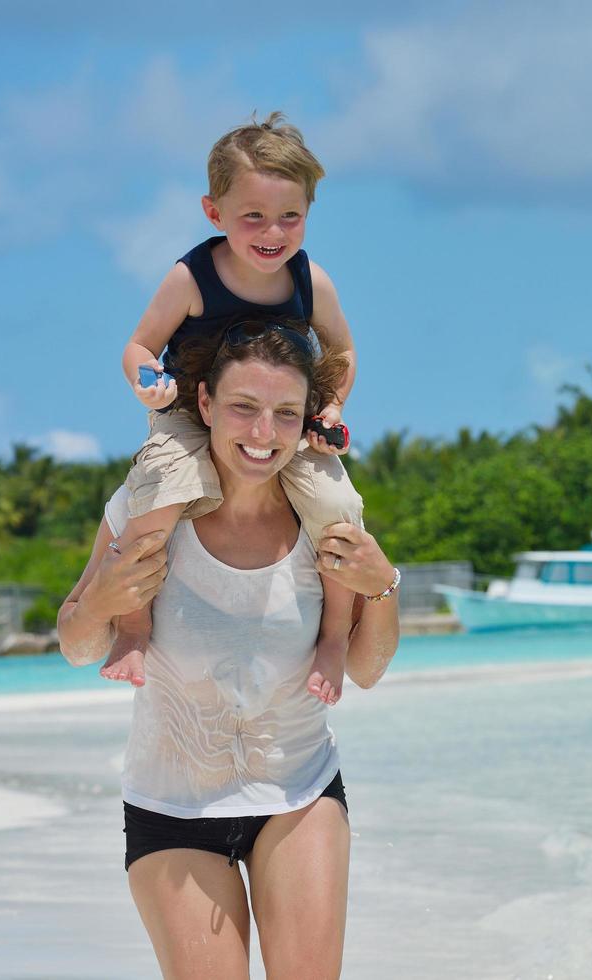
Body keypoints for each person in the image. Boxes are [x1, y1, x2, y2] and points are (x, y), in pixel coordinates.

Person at [56, 321, 401, 979]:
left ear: (306, 422)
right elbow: (76, 647)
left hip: (300, 794)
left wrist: (383, 589)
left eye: (283, 414)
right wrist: (102, 597)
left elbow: (365, 667)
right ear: (206, 404)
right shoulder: (147, 509)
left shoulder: (322, 520)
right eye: (244, 407)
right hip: (171, 810)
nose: (262, 432)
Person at [106, 112, 363, 706]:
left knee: (338, 505)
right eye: (253, 216)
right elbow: (139, 345)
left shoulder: (311, 282)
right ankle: (134, 627)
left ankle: (332, 640)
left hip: (280, 422)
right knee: (158, 496)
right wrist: (147, 383)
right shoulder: (190, 278)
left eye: (290, 216)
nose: (272, 231)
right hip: (187, 411)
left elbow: (343, 350)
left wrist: (331, 408)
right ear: (214, 212)